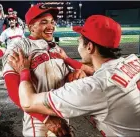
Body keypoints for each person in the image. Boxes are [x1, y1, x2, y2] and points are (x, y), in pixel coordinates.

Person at [8, 15, 140, 137]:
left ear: (89, 47)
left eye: (80, 40)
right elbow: (97, 73)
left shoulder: (95, 86)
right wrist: (67, 60)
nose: (78, 42)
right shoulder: (133, 60)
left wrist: (24, 71)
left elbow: (28, 102)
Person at [3, 4, 93, 137]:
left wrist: (73, 76)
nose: (51, 26)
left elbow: (63, 77)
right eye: (44, 22)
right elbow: (13, 88)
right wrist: (46, 119)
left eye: (52, 22)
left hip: (61, 112)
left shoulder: (56, 48)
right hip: (39, 120)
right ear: (31, 27)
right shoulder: (19, 47)